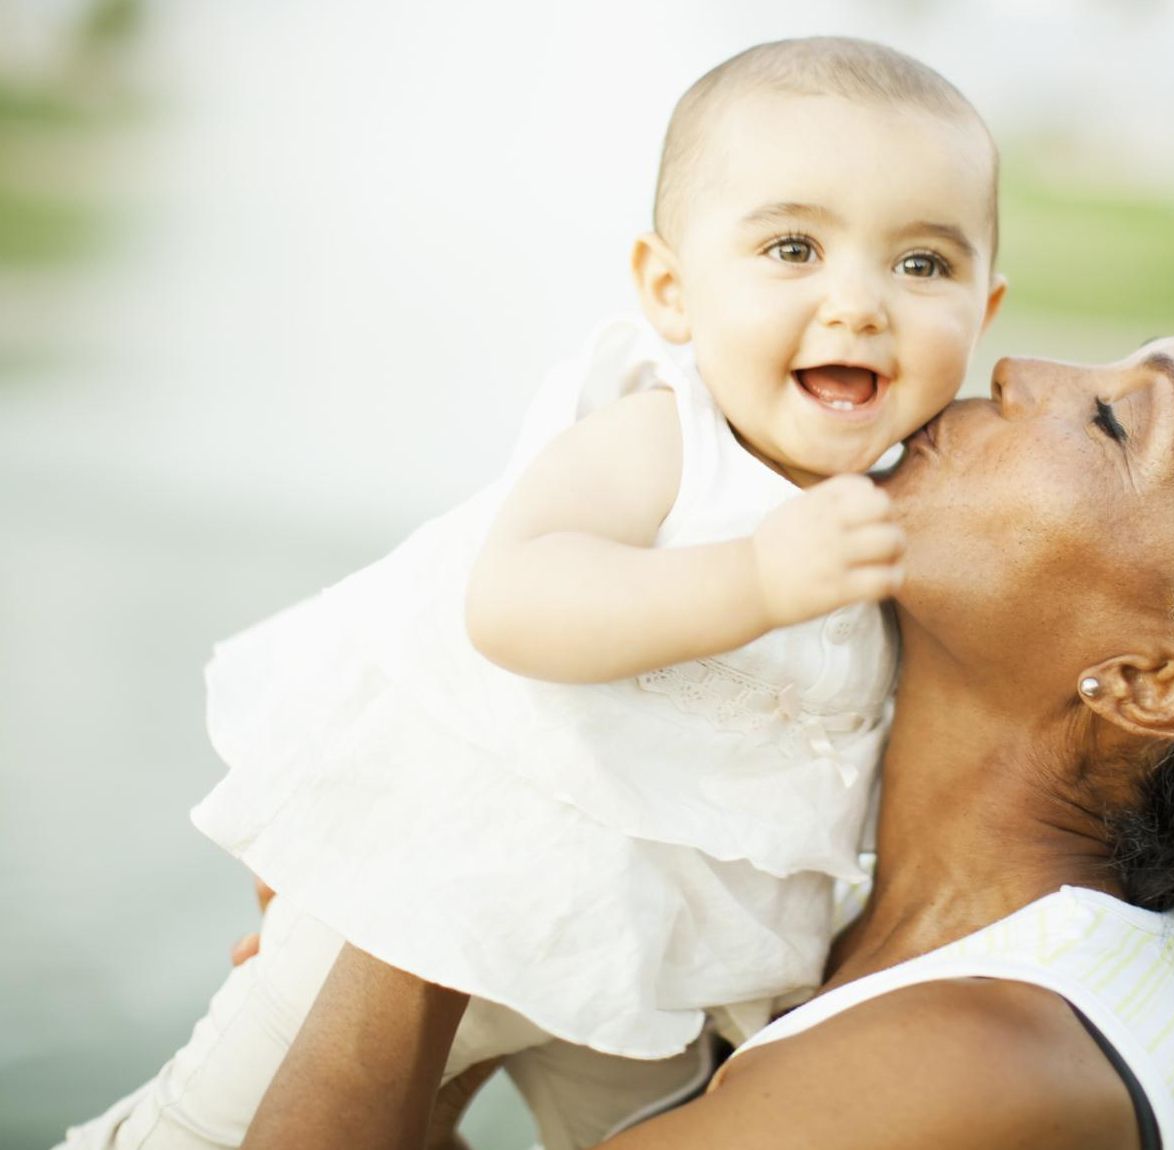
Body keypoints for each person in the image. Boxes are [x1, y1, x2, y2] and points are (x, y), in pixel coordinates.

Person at [57, 36, 1007, 1150]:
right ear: (672, 289)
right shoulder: (662, 438)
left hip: (664, 952)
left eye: (922, 265)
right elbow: (515, 601)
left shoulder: (902, 508)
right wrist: (754, 577)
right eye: (793, 247)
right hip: (447, 872)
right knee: (222, 1123)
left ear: (985, 309)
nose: (857, 304)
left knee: (682, 1129)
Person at [237, 333, 1174, 1150]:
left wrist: (408, 874)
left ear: (1149, 684)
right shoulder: (810, 900)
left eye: (1109, 423)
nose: (1021, 367)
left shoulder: (985, 1063)